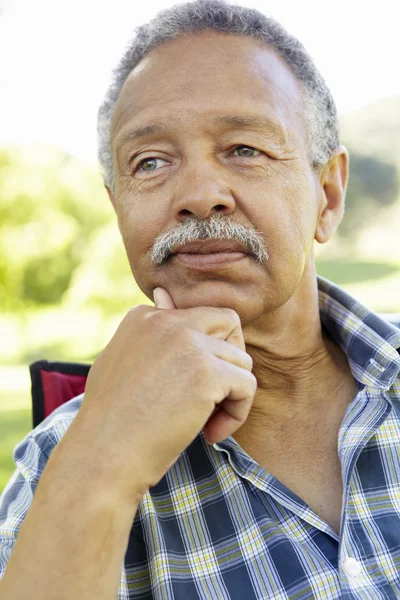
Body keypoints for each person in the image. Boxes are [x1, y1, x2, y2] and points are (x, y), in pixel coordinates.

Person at [1, 0, 400, 597]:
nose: (200, 194)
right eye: (151, 161)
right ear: (119, 210)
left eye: (245, 150)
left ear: (328, 194)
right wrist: (104, 462)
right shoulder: (61, 460)